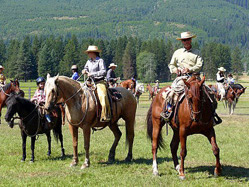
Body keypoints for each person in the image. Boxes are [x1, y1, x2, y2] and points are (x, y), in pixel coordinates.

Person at [161, 31, 222, 125]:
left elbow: (199, 65)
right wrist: (175, 70)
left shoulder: (197, 52)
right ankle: (168, 112)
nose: (186, 41)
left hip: (195, 78)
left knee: (210, 94)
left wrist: (189, 69)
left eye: (188, 39)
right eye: (184, 40)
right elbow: (171, 65)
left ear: (191, 40)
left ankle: (212, 115)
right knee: (171, 93)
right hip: (182, 79)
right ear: (182, 41)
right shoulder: (177, 52)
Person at [82, 45, 111, 122]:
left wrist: (92, 74)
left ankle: (105, 115)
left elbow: (103, 71)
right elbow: (85, 68)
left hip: (99, 82)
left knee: (103, 96)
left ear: (93, 53)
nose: (88, 54)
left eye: (89, 52)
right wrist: (84, 71)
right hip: (89, 82)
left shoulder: (100, 61)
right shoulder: (88, 61)